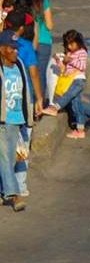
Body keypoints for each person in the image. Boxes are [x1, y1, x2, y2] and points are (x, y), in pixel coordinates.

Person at [0, 30, 33, 211]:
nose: (16, 52)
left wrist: (29, 116)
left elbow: (26, 90)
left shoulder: (19, 64)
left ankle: (2, 192)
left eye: (16, 48)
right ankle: (14, 195)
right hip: (2, 121)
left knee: (10, 158)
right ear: (2, 49)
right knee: (5, 157)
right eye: (12, 49)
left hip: (16, 119)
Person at [20, 0, 53, 102]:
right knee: (41, 74)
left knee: (28, 74)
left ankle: (29, 104)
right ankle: (39, 106)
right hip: (44, 41)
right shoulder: (43, 0)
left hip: (26, 41)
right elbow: (50, 25)